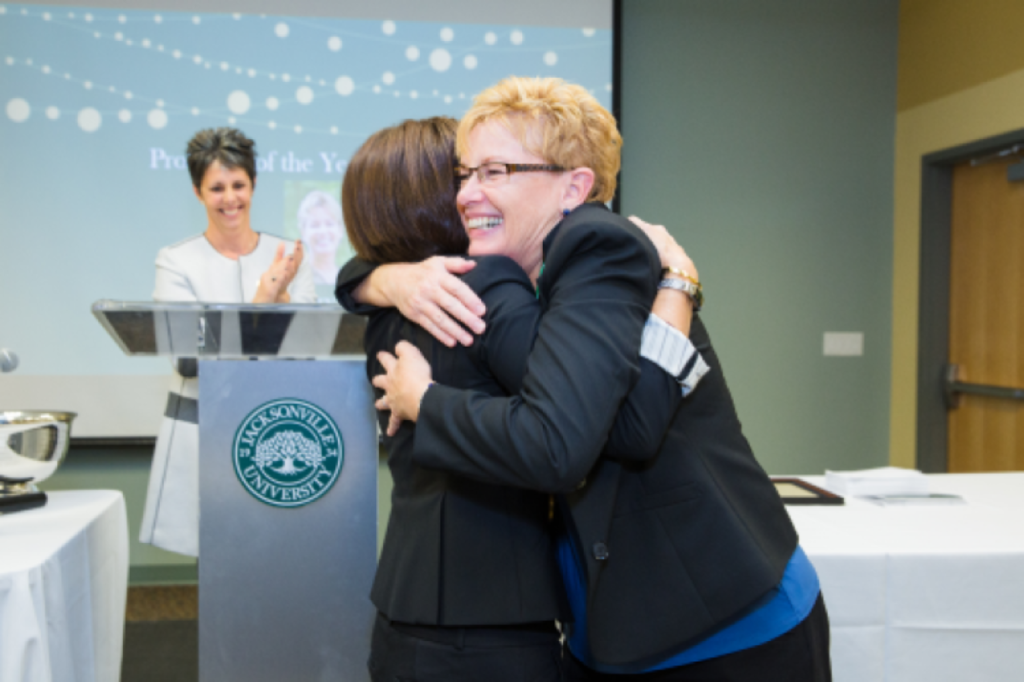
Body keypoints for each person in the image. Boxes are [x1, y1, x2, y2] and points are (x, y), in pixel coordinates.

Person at [353, 77, 831, 681]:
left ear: (574, 187)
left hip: (713, 611)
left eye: (495, 171)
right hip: (611, 612)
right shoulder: (520, 272)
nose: (467, 193)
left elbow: (590, 439)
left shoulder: (594, 245)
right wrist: (382, 278)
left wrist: (425, 400)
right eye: (464, 174)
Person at [340, 116, 703, 682]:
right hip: (486, 625)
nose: (472, 193)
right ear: (438, 197)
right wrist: (677, 291)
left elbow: (351, 280)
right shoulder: (482, 285)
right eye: (463, 176)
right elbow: (601, 425)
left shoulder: (391, 303)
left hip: (406, 607)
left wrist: (375, 279)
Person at [142, 127, 315, 557]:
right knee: (216, 562)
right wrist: (264, 298)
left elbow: (307, 351)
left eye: (238, 185)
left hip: (276, 424)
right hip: (203, 432)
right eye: (216, 188)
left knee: (277, 558)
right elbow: (187, 359)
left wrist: (283, 292)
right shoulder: (175, 260)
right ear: (198, 192)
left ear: (253, 185)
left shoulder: (290, 254)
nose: (230, 198)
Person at [297, 189, 346, 285]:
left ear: (340, 230)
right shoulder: (295, 277)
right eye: (315, 225)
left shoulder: (348, 278)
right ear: (303, 232)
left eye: (329, 224)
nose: (323, 232)